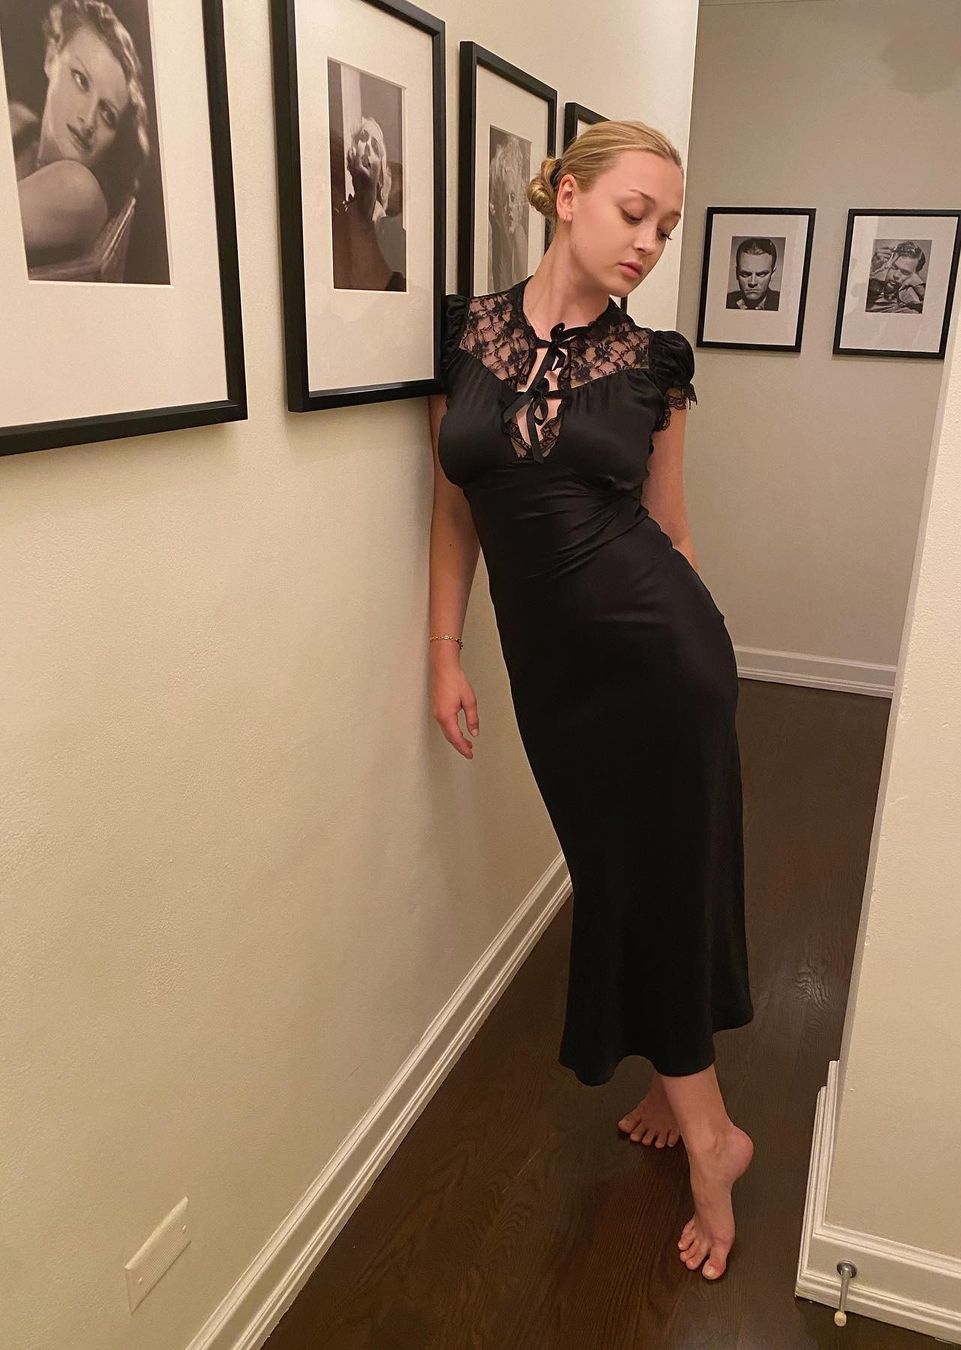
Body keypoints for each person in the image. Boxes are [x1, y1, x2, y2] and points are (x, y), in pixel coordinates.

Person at [427, 119, 754, 1283]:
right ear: (565, 194)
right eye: (633, 213)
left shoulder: (654, 361)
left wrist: (705, 669)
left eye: (666, 227)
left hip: (660, 658)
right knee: (617, 874)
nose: (649, 243)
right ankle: (674, 1085)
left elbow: (673, 528)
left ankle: (712, 1137)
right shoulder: (466, 333)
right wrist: (444, 651)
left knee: (658, 876)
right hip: (554, 675)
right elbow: (457, 505)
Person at [7, 0, 150, 271]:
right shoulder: (16, 121)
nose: (88, 119)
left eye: (107, 114)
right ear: (51, 58)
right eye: (81, 80)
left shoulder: (80, 190)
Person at [330, 115, 404, 291]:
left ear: (381, 176)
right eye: (363, 138)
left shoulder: (394, 235)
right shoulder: (336, 217)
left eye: (376, 147)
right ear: (351, 156)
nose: (369, 147)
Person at [866, 240, 926, 313]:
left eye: (905, 272)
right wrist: (871, 268)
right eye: (894, 267)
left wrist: (920, 287)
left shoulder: (909, 307)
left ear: (915, 276)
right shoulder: (872, 284)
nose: (896, 275)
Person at [726, 236, 780, 309]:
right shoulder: (723, 301)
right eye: (745, 274)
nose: (752, 282)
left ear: (772, 274)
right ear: (736, 273)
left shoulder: (783, 303)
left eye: (761, 274)